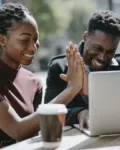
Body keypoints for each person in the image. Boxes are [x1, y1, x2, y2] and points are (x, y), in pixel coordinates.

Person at [0, 3, 84, 148]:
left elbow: (33, 133)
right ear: (2, 40)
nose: (33, 46)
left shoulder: (34, 83)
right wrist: (71, 89)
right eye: (25, 40)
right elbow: (17, 130)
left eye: (36, 39)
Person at [44, 10, 120, 130]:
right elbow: (48, 112)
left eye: (110, 52)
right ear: (85, 37)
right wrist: (79, 113)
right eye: (97, 48)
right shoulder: (59, 67)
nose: (102, 57)